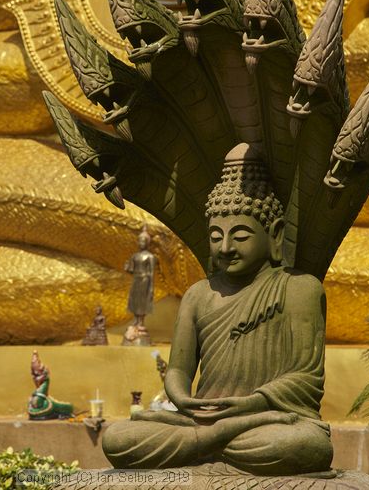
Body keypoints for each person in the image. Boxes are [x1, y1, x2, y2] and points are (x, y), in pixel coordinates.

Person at [102, 143, 333, 475]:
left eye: (240, 236)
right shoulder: (198, 295)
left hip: (267, 422)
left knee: (304, 444)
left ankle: (208, 443)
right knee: (118, 439)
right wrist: (183, 399)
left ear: (275, 234)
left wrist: (253, 404)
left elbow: (306, 377)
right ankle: (214, 439)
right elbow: (179, 370)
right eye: (215, 236)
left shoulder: (299, 288)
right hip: (202, 419)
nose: (225, 247)